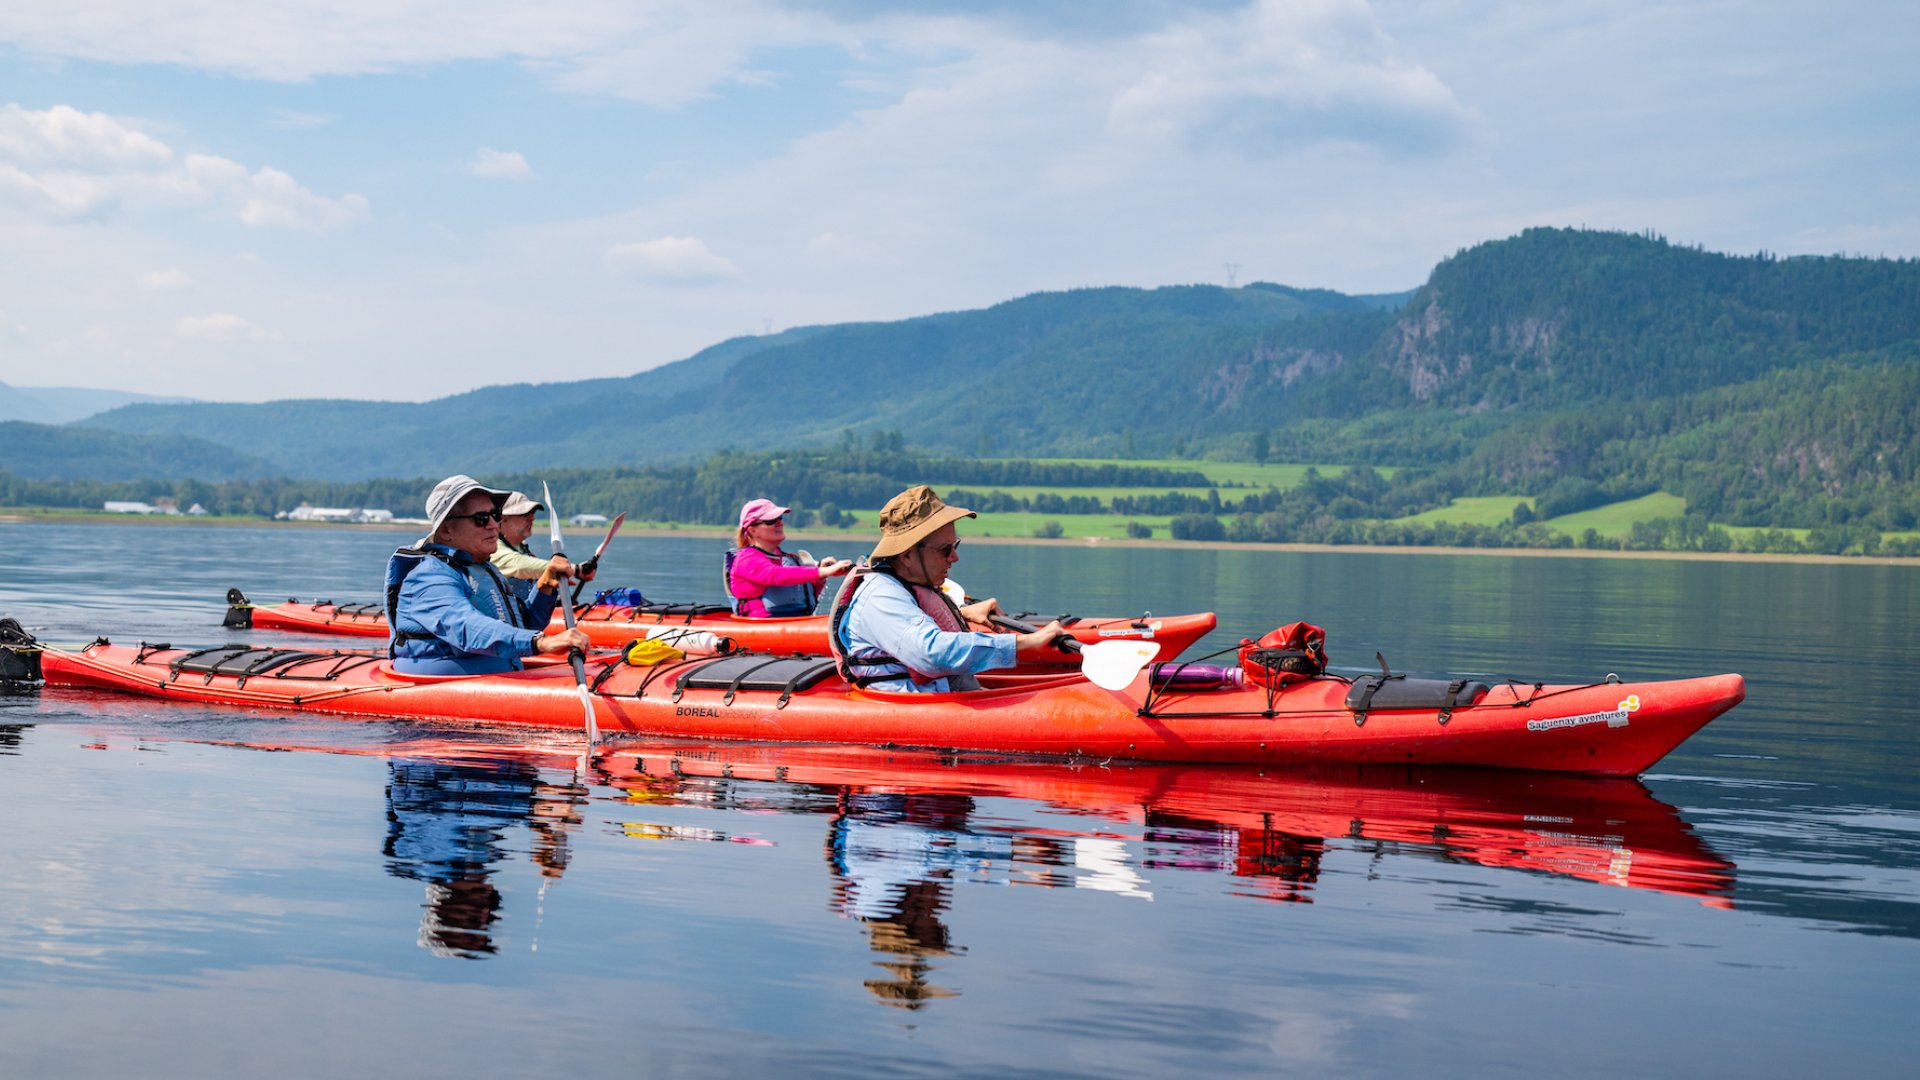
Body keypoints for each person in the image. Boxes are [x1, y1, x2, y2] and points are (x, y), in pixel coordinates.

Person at [828, 485, 1064, 692]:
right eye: (945, 549)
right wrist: (1025, 643)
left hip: (944, 695)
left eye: (955, 546)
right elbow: (931, 654)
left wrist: (963, 612)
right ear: (908, 555)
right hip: (909, 711)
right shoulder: (880, 597)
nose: (954, 557)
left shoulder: (905, 584)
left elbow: (911, 625)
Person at [384, 475, 590, 675]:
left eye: (495, 515)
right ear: (447, 530)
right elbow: (467, 627)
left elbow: (523, 625)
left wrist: (545, 586)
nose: (493, 525)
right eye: (480, 519)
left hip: (496, 675)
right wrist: (542, 642)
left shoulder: (482, 568)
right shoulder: (428, 577)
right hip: (443, 686)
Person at [727, 498, 852, 617]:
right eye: (771, 521)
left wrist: (819, 580)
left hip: (790, 623)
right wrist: (823, 571)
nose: (780, 523)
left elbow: (796, 598)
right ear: (753, 531)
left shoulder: (782, 558)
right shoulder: (746, 559)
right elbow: (776, 575)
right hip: (761, 627)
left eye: (779, 518)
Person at [490, 491, 593, 604]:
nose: (532, 518)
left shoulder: (524, 549)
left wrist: (554, 580)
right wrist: (573, 569)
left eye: (532, 512)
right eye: (525, 514)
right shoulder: (494, 549)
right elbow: (518, 565)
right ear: (503, 519)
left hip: (524, 614)